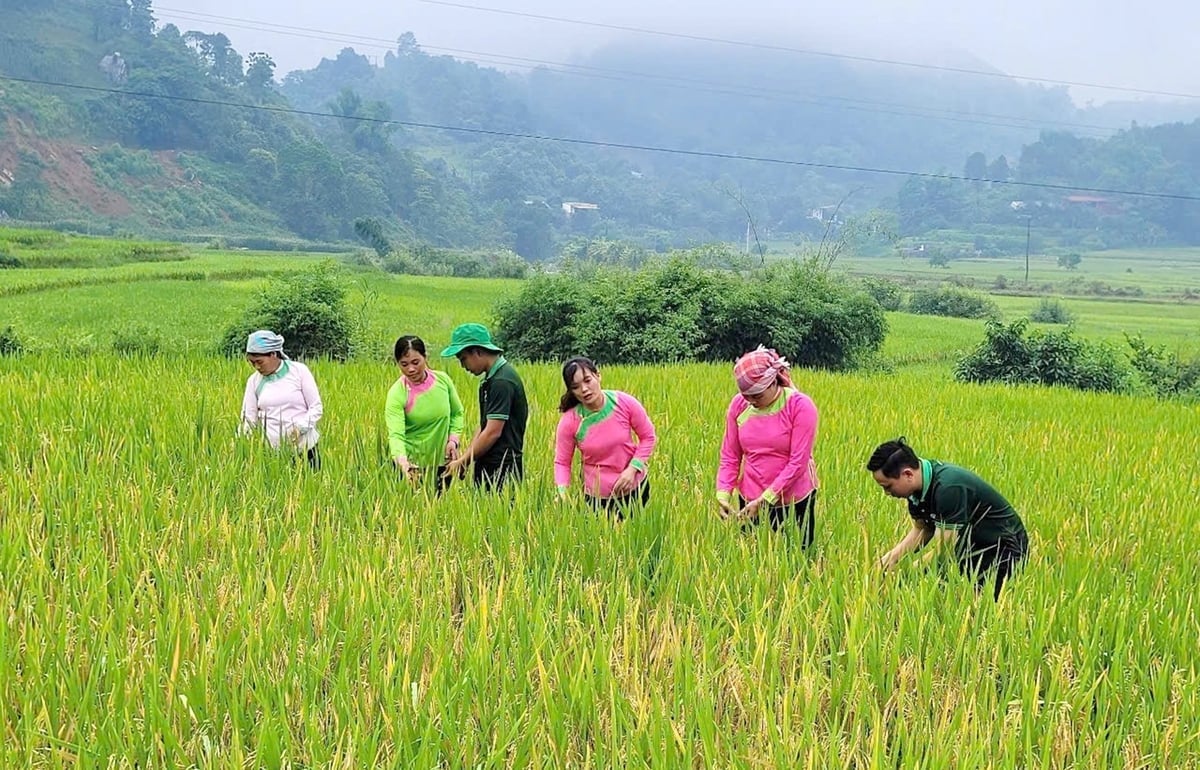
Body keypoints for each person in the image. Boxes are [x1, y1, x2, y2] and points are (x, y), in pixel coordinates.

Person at [869, 437, 1029, 600]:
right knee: (953, 600)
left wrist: (906, 573)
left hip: (1002, 548)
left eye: (887, 486)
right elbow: (922, 529)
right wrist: (887, 562)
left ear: (908, 474)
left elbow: (944, 552)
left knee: (981, 610)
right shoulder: (916, 490)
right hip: (971, 546)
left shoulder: (949, 488)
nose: (887, 493)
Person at [716, 346, 819, 542]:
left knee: (797, 557)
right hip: (750, 500)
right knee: (753, 558)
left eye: (757, 395)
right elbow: (730, 455)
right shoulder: (739, 405)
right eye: (746, 395)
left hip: (794, 500)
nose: (751, 401)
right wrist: (723, 494)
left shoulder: (800, 406)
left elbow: (797, 462)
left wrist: (766, 499)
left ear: (774, 382)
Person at [553, 357, 657, 518]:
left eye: (587, 380)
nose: (584, 389)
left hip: (636, 489)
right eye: (576, 387)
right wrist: (562, 491)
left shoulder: (624, 402)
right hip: (598, 499)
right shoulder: (570, 421)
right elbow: (562, 462)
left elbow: (648, 437)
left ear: (598, 376)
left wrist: (632, 469)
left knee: (637, 540)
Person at [440, 323, 528, 489]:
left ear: (477, 351)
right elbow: (483, 426)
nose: (463, 366)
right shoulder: (490, 380)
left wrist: (463, 461)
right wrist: (466, 458)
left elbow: (492, 432)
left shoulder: (502, 382)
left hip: (503, 468)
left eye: (463, 358)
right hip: (488, 463)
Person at [385, 335, 465, 493]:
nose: (411, 369)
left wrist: (453, 440)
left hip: (444, 463)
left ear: (425, 357)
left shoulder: (443, 381)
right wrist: (402, 462)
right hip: (413, 467)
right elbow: (396, 435)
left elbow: (457, 413)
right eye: (404, 364)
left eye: (416, 362)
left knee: (441, 510)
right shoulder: (397, 393)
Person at [239, 330, 323, 469]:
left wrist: (300, 427)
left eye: (260, 362)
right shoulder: (254, 381)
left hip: (306, 448)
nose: (257, 367)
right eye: (252, 363)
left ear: (273, 354)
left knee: (311, 488)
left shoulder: (299, 371)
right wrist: (241, 444)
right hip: (273, 454)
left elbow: (316, 407)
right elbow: (249, 419)